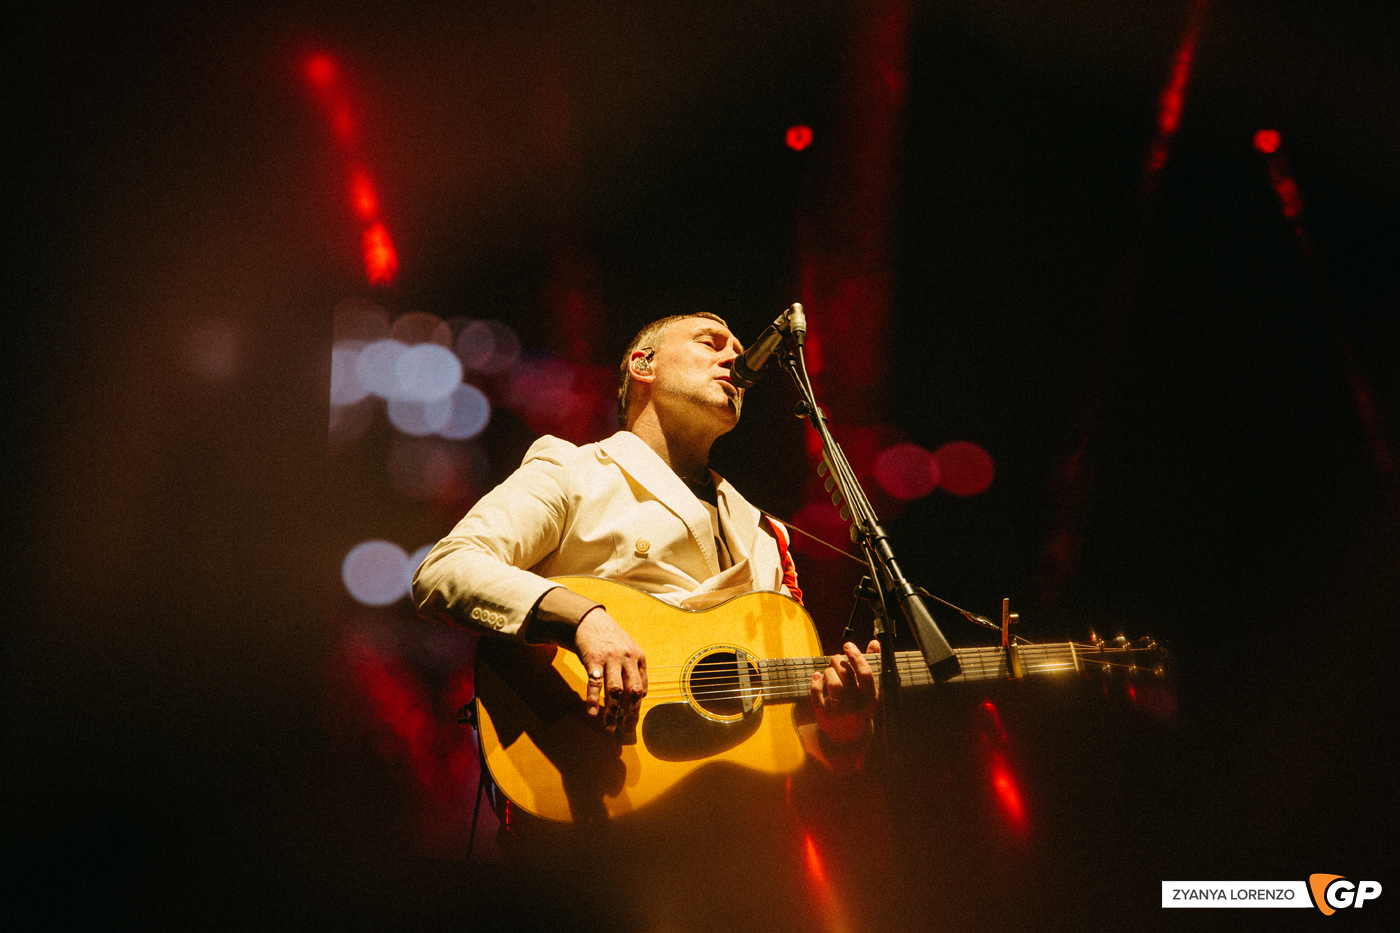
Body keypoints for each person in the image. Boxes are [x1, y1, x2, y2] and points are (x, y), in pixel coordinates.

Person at [413, 312, 880, 751]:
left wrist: (840, 732)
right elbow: (445, 569)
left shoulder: (766, 536)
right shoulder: (572, 470)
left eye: (737, 351)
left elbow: (786, 737)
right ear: (644, 363)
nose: (734, 359)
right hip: (586, 785)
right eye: (710, 343)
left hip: (739, 819)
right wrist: (581, 618)